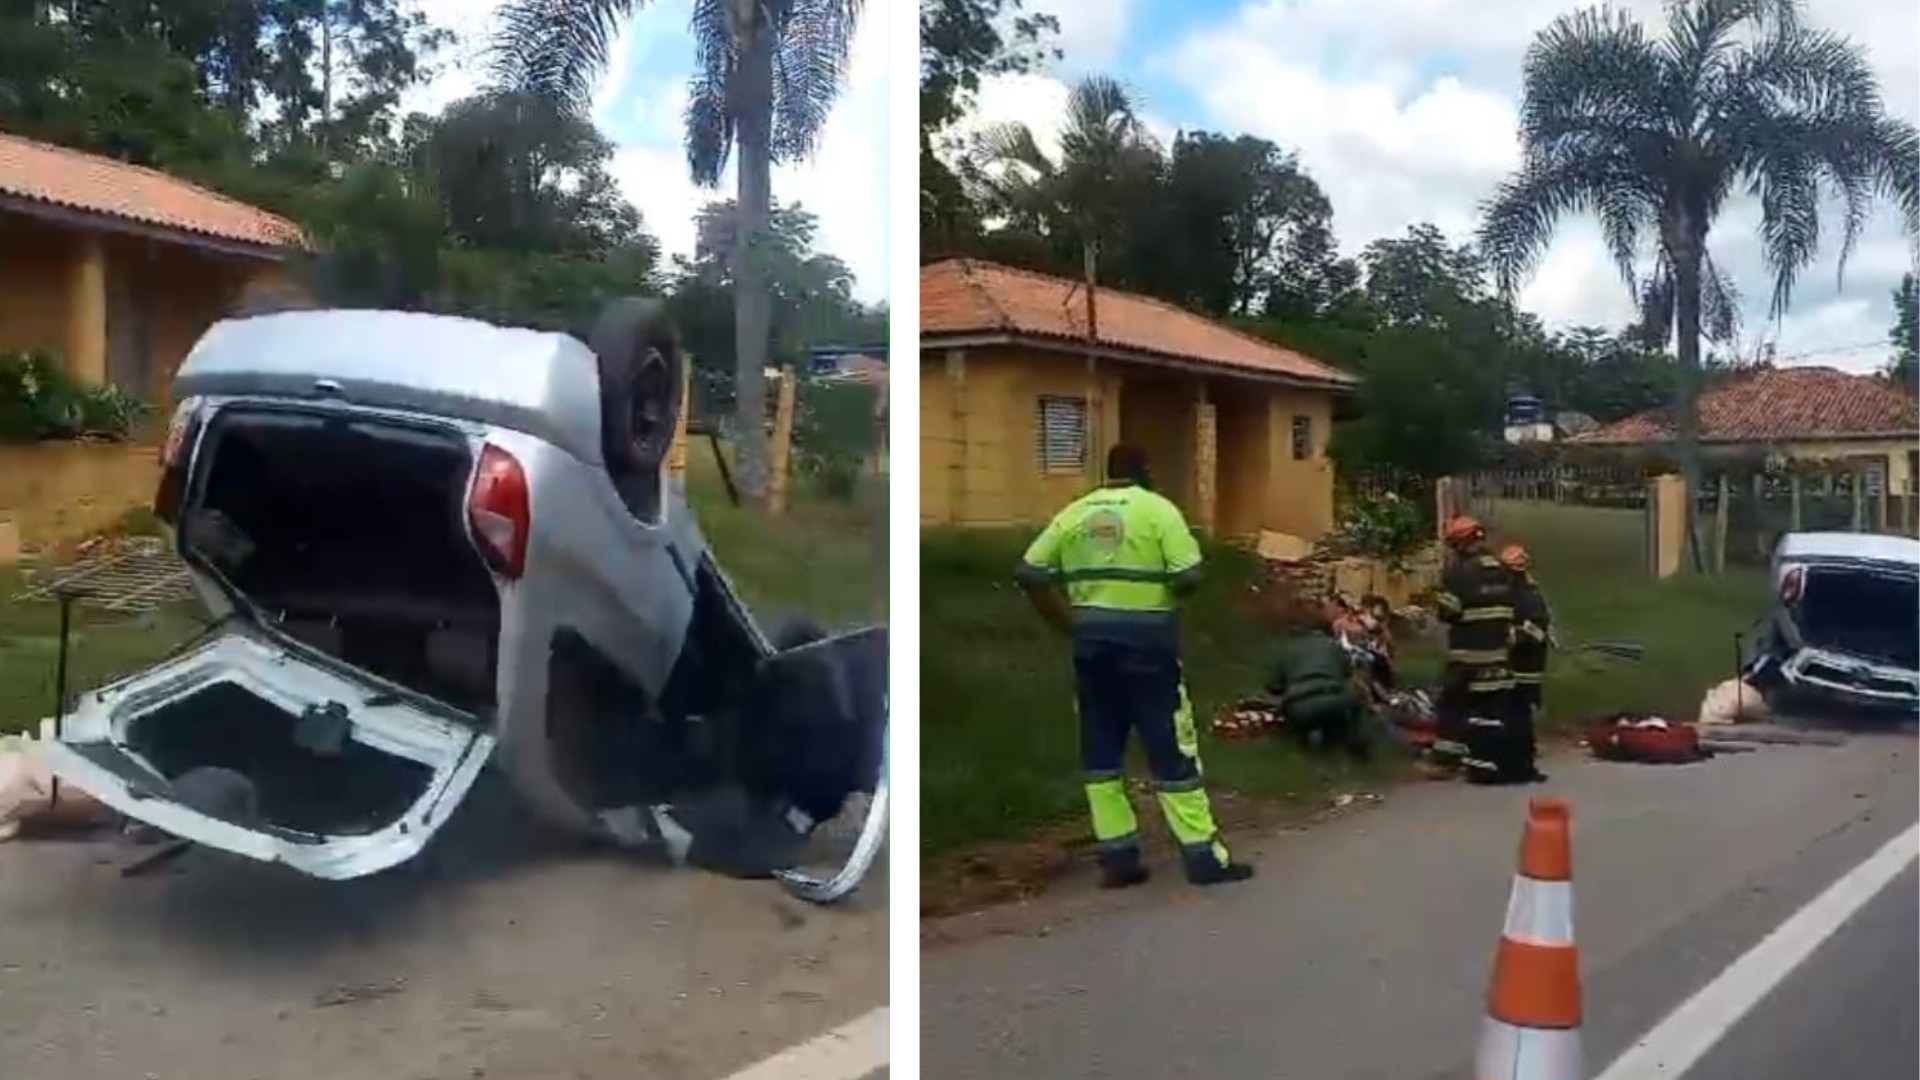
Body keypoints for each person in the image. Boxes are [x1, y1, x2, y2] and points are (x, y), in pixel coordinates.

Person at [1015, 443, 1254, 889]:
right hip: (1148, 651)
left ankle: (1119, 859)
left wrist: (1069, 623)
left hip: (1091, 650)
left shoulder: (1076, 512)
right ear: (1145, 470)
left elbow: (1029, 573)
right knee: (1171, 749)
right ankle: (1204, 859)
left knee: (1101, 754)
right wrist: (1159, 606)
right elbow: (1189, 575)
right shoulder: (1158, 510)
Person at [1431, 515, 1518, 784]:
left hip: (1467, 655)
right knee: (1489, 711)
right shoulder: (1504, 570)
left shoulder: (1458, 573)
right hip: (1499, 654)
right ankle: (1487, 756)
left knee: (1452, 707)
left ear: (1461, 543)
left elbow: (1448, 611)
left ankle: (1447, 761)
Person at [1265, 599, 1374, 761]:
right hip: (1335, 698)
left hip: (1300, 705)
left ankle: (1302, 758)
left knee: (1298, 728)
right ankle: (1358, 756)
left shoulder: (1285, 650)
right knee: (1349, 710)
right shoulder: (1333, 646)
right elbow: (1348, 675)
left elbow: (1274, 686)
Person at [1500, 543, 1551, 783]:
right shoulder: (1521, 592)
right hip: (1521, 666)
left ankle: (1521, 766)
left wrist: (1513, 637)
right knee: (1516, 716)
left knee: (1518, 717)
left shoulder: (1526, 596)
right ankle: (1518, 763)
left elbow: (1537, 632)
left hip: (1525, 667)